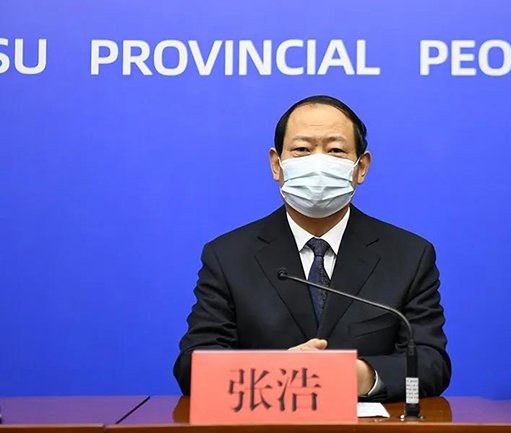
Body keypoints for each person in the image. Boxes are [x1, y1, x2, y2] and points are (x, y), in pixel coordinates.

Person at [173, 95, 451, 401]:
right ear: (276, 165)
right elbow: (192, 367)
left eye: (335, 150)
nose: (318, 162)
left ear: (361, 167)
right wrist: (278, 373)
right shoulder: (228, 256)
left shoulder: (409, 256)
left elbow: (431, 365)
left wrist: (363, 376)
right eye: (302, 150)